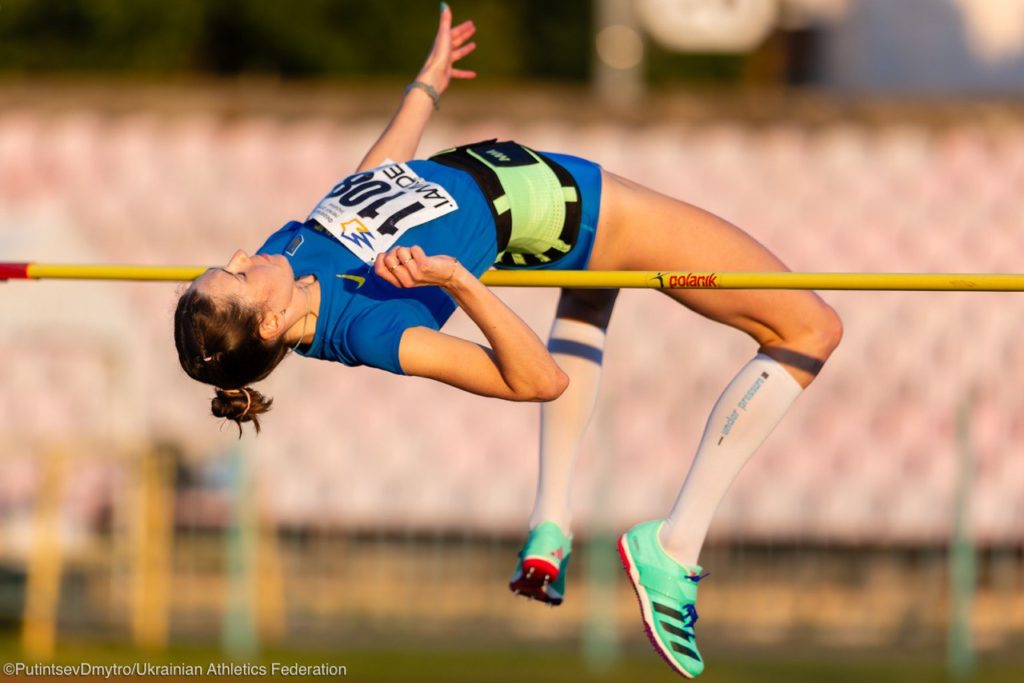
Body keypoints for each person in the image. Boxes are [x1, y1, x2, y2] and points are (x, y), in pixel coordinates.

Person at [173, 5, 842, 679]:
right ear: (266, 322)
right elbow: (536, 379)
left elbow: (366, 185)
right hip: (576, 211)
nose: (238, 253)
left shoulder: (282, 256)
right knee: (810, 327)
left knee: (591, 294)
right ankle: (673, 546)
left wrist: (424, 90)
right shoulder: (371, 330)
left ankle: (549, 524)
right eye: (234, 273)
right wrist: (460, 282)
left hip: (528, 188)